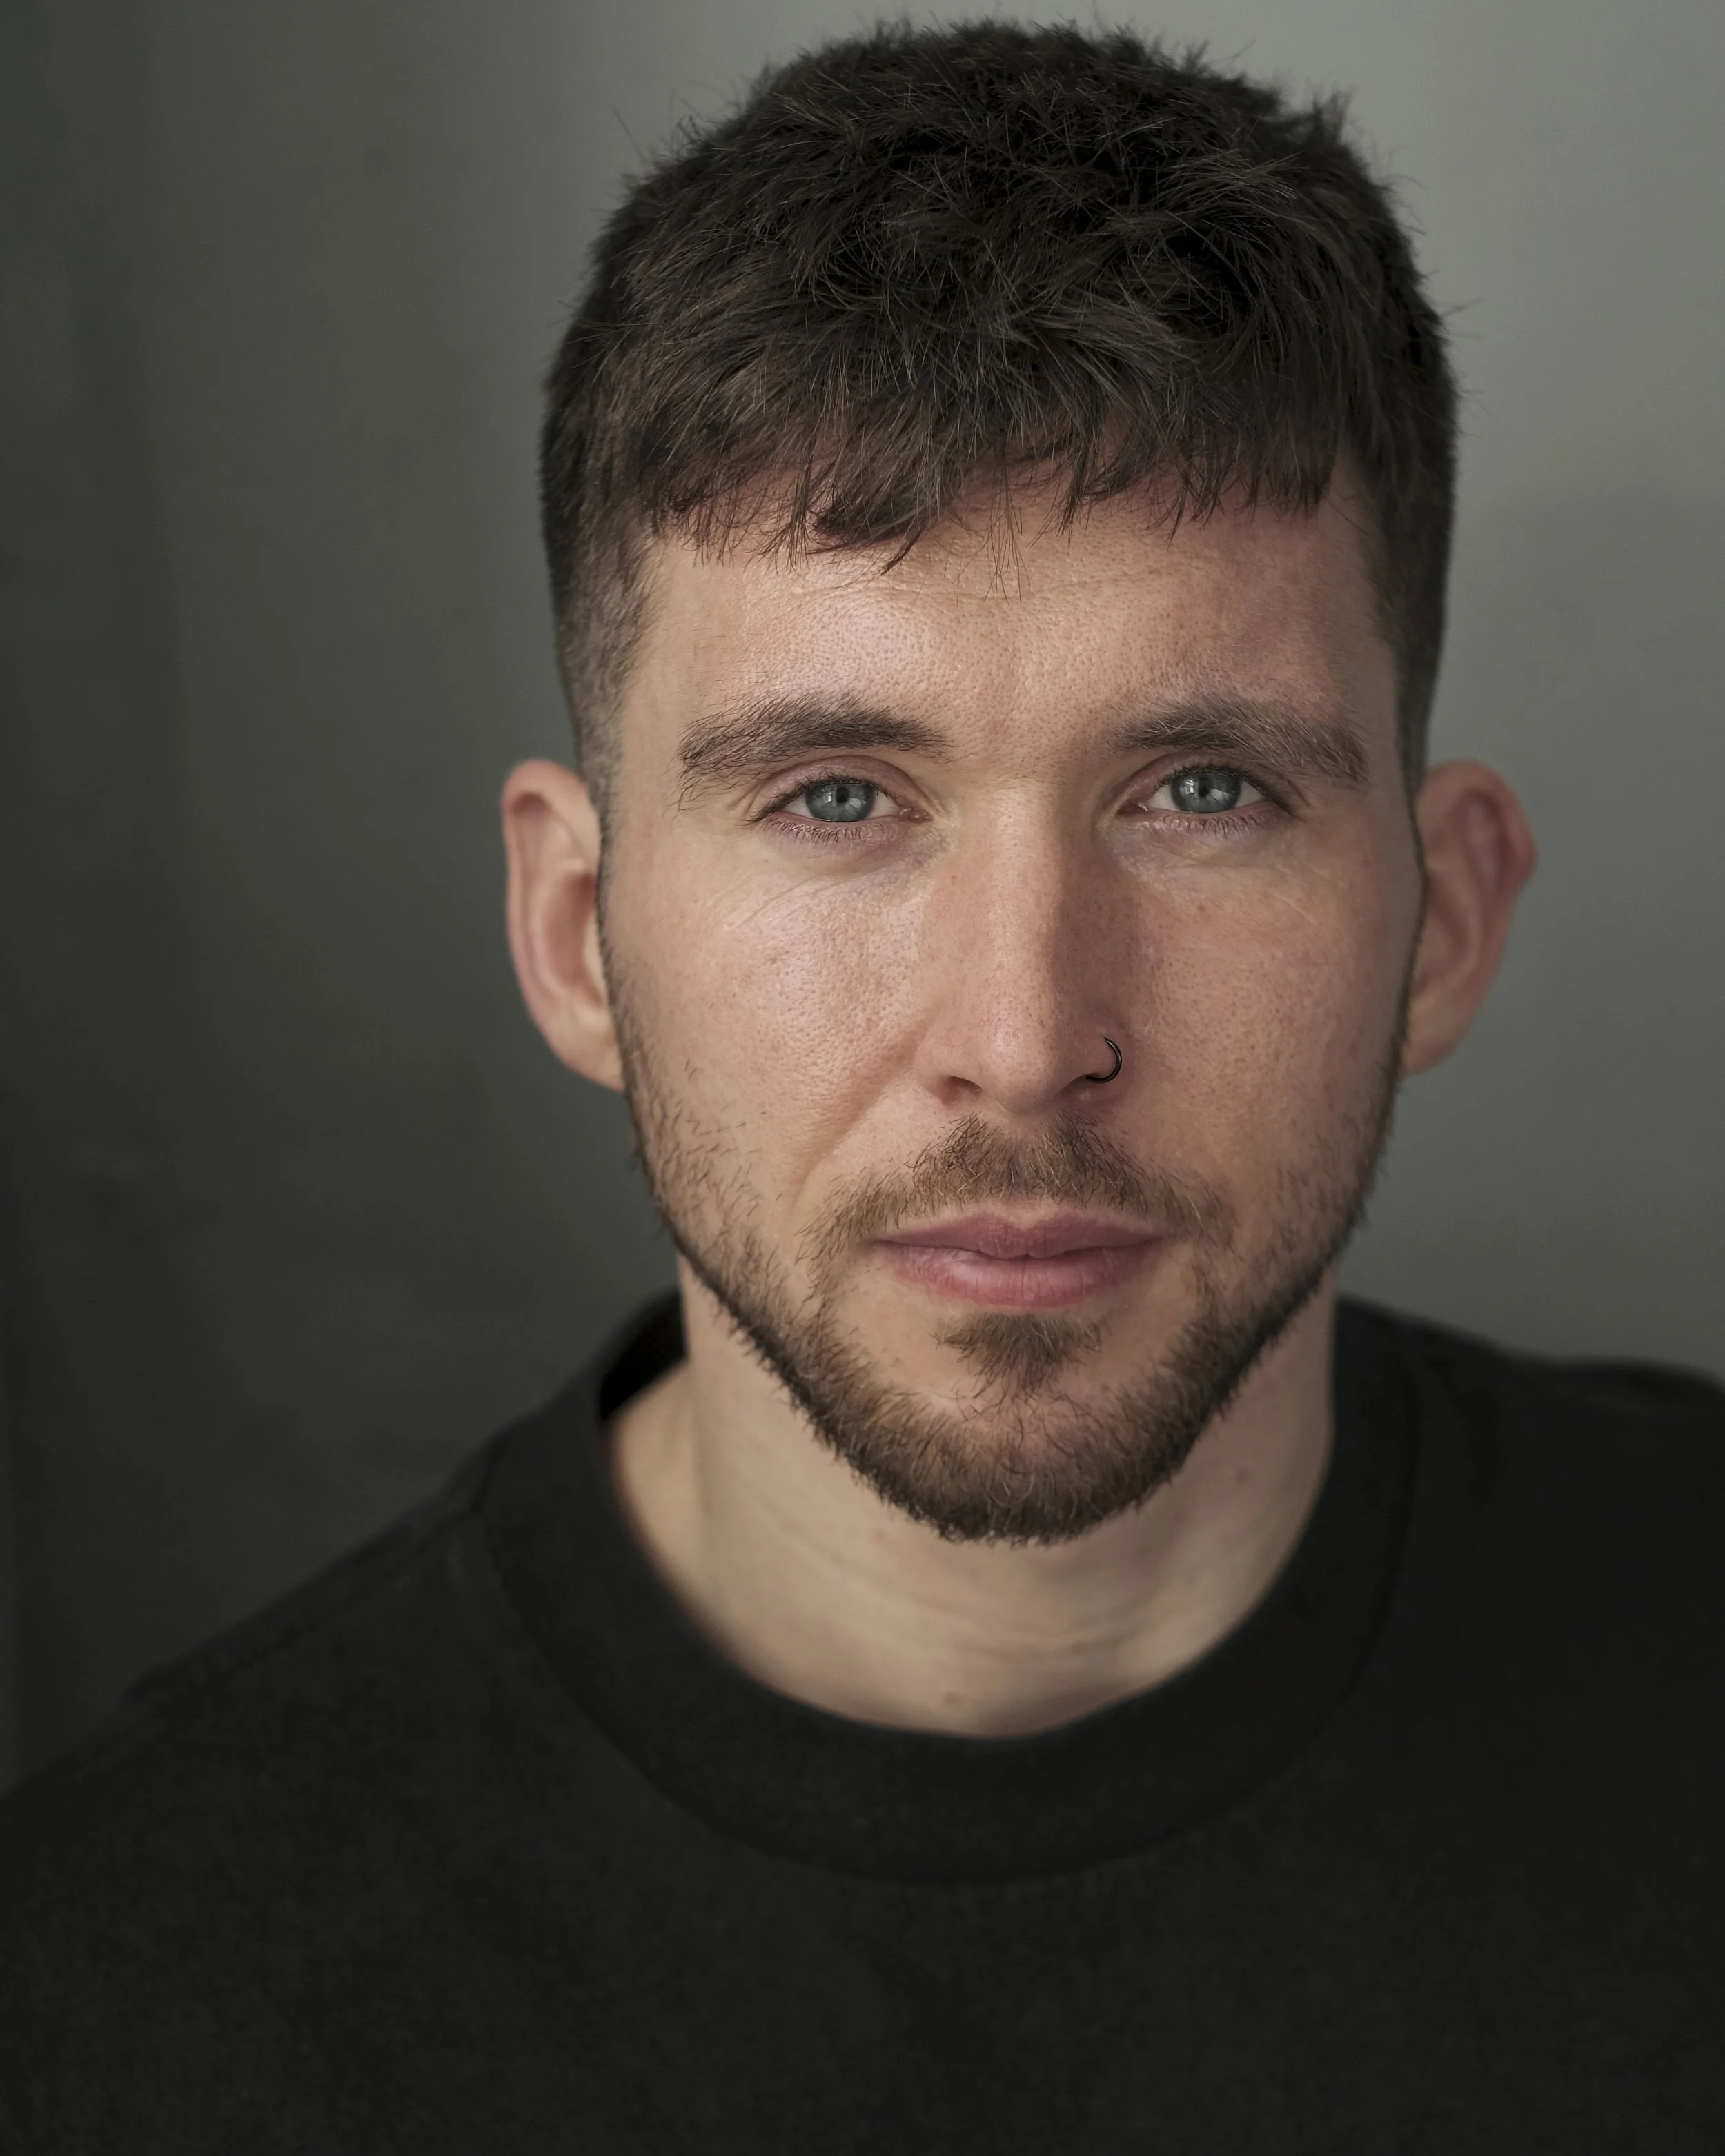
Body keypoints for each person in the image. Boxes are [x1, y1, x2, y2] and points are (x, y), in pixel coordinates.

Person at [3, 20, 1722, 2150]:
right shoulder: (111, 2006)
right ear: (578, 934)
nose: (1019, 1034)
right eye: (835, 795)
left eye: (1200, 789)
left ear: (1441, 919)